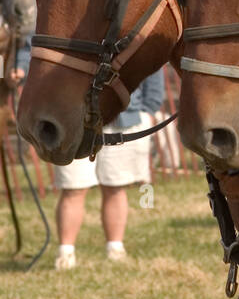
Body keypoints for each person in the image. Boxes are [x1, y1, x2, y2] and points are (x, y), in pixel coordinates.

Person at [54, 71, 165, 267]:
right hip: (74, 118)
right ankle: (65, 254)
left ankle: (115, 249)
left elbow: (152, 65)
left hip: (123, 120)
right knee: (73, 188)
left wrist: (147, 110)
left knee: (115, 186)